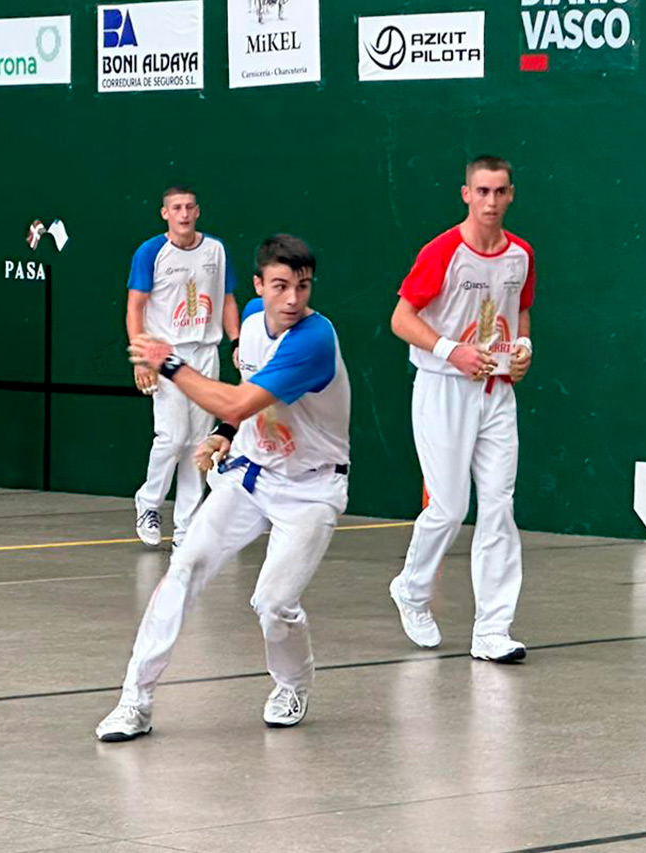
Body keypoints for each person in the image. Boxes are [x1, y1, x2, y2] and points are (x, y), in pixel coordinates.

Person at [97, 234, 350, 740]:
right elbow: (245, 404)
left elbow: (235, 401)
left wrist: (169, 362)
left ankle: (293, 683)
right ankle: (135, 701)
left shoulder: (315, 340)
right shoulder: (254, 323)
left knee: (273, 604)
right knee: (184, 567)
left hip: (311, 491)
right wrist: (225, 435)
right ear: (259, 286)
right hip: (250, 478)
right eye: (280, 286)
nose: (293, 299)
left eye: (302, 286)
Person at [387, 155, 535, 663]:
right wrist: (453, 350)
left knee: (498, 505)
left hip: (497, 396)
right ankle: (411, 588)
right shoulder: (443, 252)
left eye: (500, 192)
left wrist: (523, 353)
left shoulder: (521, 256)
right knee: (449, 508)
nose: (491, 202)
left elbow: (522, 314)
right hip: (442, 388)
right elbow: (401, 319)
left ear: (511, 194)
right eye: (482, 192)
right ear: (466, 194)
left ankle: (492, 630)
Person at [127, 186, 241, 549]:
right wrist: (143, 356)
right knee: (172, 437)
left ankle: (187, 529)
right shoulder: (150, 252)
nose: (184, 213)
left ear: (198, 211)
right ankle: (148, 503)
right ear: (165, 214)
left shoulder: (216, 250)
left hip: (206, 352)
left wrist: (236, 342)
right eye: (176, 208)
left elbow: (226, 299)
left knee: (199, 442)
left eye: (190, 207)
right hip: (165, 353)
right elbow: (135, 307)